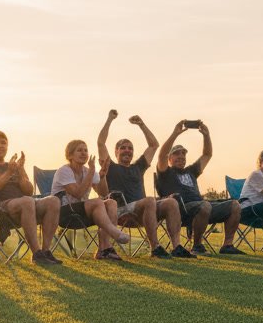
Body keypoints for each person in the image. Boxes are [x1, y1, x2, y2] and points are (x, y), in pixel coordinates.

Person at [97, 110, 192, 258]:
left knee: (171, 203)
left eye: (130, 148)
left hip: (144, 212)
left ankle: (177, 247)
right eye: (123, 147)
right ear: (116, 151)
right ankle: (155, 247)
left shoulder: (138, 167)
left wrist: (142, 125)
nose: (127, 150)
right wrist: (110, 119)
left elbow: (154, 145)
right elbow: (101, 143)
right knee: (149, 201)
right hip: (121, 211)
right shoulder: (110, 167)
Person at [0, 131, 62, 265]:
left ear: (7, 147)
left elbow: (28, 191)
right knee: (27, 201)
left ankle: (46, 251)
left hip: (25, 205)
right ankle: (36, 253)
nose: (0, 146)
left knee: (53, 201)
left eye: (3, 143)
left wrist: (20, 171)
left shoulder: (14, 166)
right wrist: (8, 173)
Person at [155, 121, 243, 255]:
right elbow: (161, 155)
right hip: (180, 210)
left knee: (235, 205)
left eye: (183, 154)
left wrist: (206, 135)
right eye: (176, 154)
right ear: (170, 159)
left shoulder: (191, 171)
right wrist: (175, 134)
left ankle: (227, 245)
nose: (181, 156)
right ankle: (197, 246)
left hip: (202, 206)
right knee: (204, 206)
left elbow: (207, 155)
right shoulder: (165, 172)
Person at [50, 140, 131, 260]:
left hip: (83, 213)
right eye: (79, 150)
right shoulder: (64, 171)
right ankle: (115, 233)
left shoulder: (88, 171)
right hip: (64, 214)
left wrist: (102, 176)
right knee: (98, 202)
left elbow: (103, 193)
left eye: (85, 150)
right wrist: (92, 171)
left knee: (111, 203)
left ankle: (104, 249)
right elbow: (78, 193)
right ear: (70, 155)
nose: (84, 153)